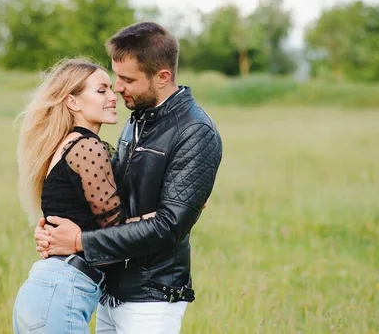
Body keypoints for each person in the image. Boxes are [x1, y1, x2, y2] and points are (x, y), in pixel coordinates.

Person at [35, 22, 223, 334]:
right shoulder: (136, 120)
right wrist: (54, 231)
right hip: (110, 291)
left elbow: (168, 227)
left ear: (162, 77)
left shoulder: (195, 131)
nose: (117, 87)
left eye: (127, 79)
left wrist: (80, 240)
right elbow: (108, 199)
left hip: (151, 299)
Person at [12, 57, 151, 333]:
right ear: (73, 102)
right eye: (101, 91)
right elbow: (115, 230)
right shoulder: (87, 147)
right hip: (62, 292)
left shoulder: (66, 145)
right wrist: (173, 213)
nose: (114, 97)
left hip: (46, 291)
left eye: (111, 89)